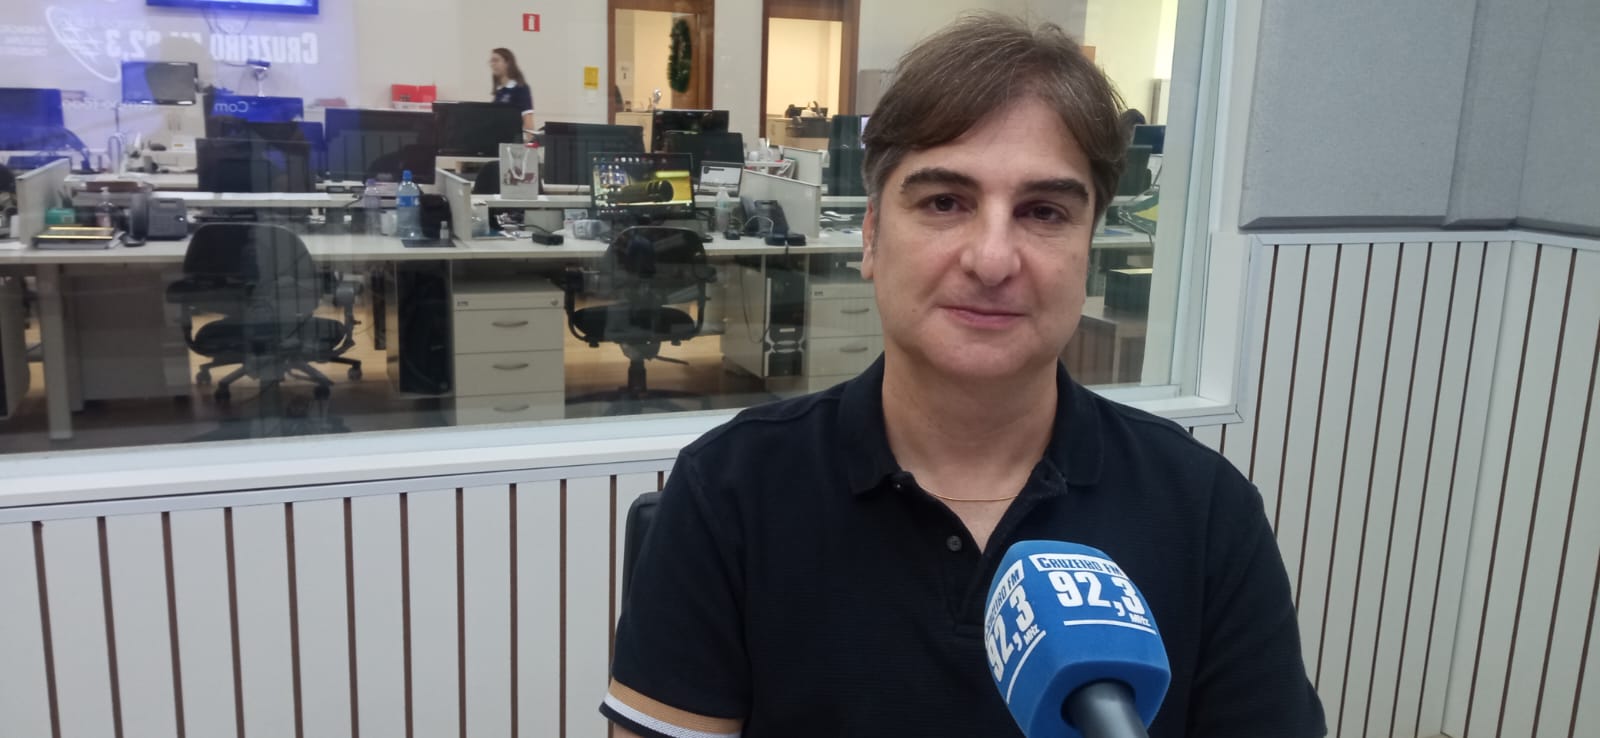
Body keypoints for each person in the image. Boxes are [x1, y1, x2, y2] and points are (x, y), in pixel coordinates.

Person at [602, 12, 1326, 738]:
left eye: (1044, 212)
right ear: (872, 237)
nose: (992, 259)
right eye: (945, 202)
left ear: (1088, 250)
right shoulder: (730, 494)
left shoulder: (1206, 514)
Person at [488, 47, 535, 139]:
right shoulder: (499, 90)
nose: (492, 64)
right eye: (491, 61)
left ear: (507, 63)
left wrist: (530, 142)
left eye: (496, 60)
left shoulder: (520, 88)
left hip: (511, 141)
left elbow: (528, 119)